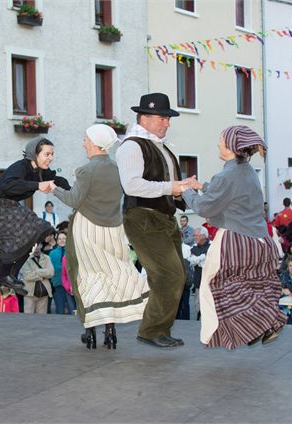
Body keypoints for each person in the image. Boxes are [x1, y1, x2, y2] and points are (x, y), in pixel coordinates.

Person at [182, 125, 286, 349]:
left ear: (230, 146)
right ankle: (263, 325)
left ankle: (264, 322)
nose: (217, 143)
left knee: (216, 286)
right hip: (261, 241)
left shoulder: (227, 175)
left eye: (220, 140)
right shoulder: (246, 170)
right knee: (249, 286)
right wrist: (202, 185)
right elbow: (231, 192)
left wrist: (186, 190)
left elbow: (203, 207)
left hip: (236, 240)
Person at [53, 124, 149, 350]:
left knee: (86, 278)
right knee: (111, 277)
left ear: (95, 143)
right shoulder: (118, 169)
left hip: (87, 229)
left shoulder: (86, 170)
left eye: (85, 139)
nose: (83, 143)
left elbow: (74, 200)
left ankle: (90, 331)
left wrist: (53, 189)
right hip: (114, 229)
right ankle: (110, 330)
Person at [115, 92, 188, 349]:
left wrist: (185, 191)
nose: (167, 122)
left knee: (176, 274)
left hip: (164, 217)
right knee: (170, 274)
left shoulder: (161, 146)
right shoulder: (132, 145)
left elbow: (169, 185)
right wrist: (172, 188)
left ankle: (159, 329)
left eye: (168, 118)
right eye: (162, 117)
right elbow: (132, 185)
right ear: (144, 117)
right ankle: (151, 330)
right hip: (143, 217)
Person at [0, 137, 70, 295]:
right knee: (38, 227)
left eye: (52, 154)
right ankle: (4, 273)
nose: (51, 158)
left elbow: (57, 180)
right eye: (47, 154)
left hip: (4, 206)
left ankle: (9, 275)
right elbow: (8, 185)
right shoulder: (21, 167)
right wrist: (37, 185)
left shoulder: (41, 172)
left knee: (35, 234)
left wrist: (73, 192)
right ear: (34, 154)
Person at [19, 243, 54, 314]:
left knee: (42, 319)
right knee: (28, 317)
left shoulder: (47, 258)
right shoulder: (24, 259)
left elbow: (51, 273)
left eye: (38, 244)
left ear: (41, 245)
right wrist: (43, 275)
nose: (36, 247)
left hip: (44, 293)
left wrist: (36, 271)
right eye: (33, 245)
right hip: (29, 293)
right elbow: (27, 276)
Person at [48, 232, 75, 314]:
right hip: (58, 285)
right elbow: (51, 269)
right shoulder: (52, 253)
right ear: (57, 241)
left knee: (72, 309)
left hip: (71, 286)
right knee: (60, 310)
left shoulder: (72, 252)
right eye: (60, 239)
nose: (62, 240)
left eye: (64, 238)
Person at [188, 227, 210, 320]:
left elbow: (209, 262)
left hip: (210, 281)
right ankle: (199, 319)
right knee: (198, 303)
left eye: (196, 235)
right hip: (198, 281)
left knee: (209, 303)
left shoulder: (212, 245)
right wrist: (203, 257)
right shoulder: (194, 247)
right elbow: (192, 261)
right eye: (194, 235)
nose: (194, 237)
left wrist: (198, 259)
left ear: (203, 236)